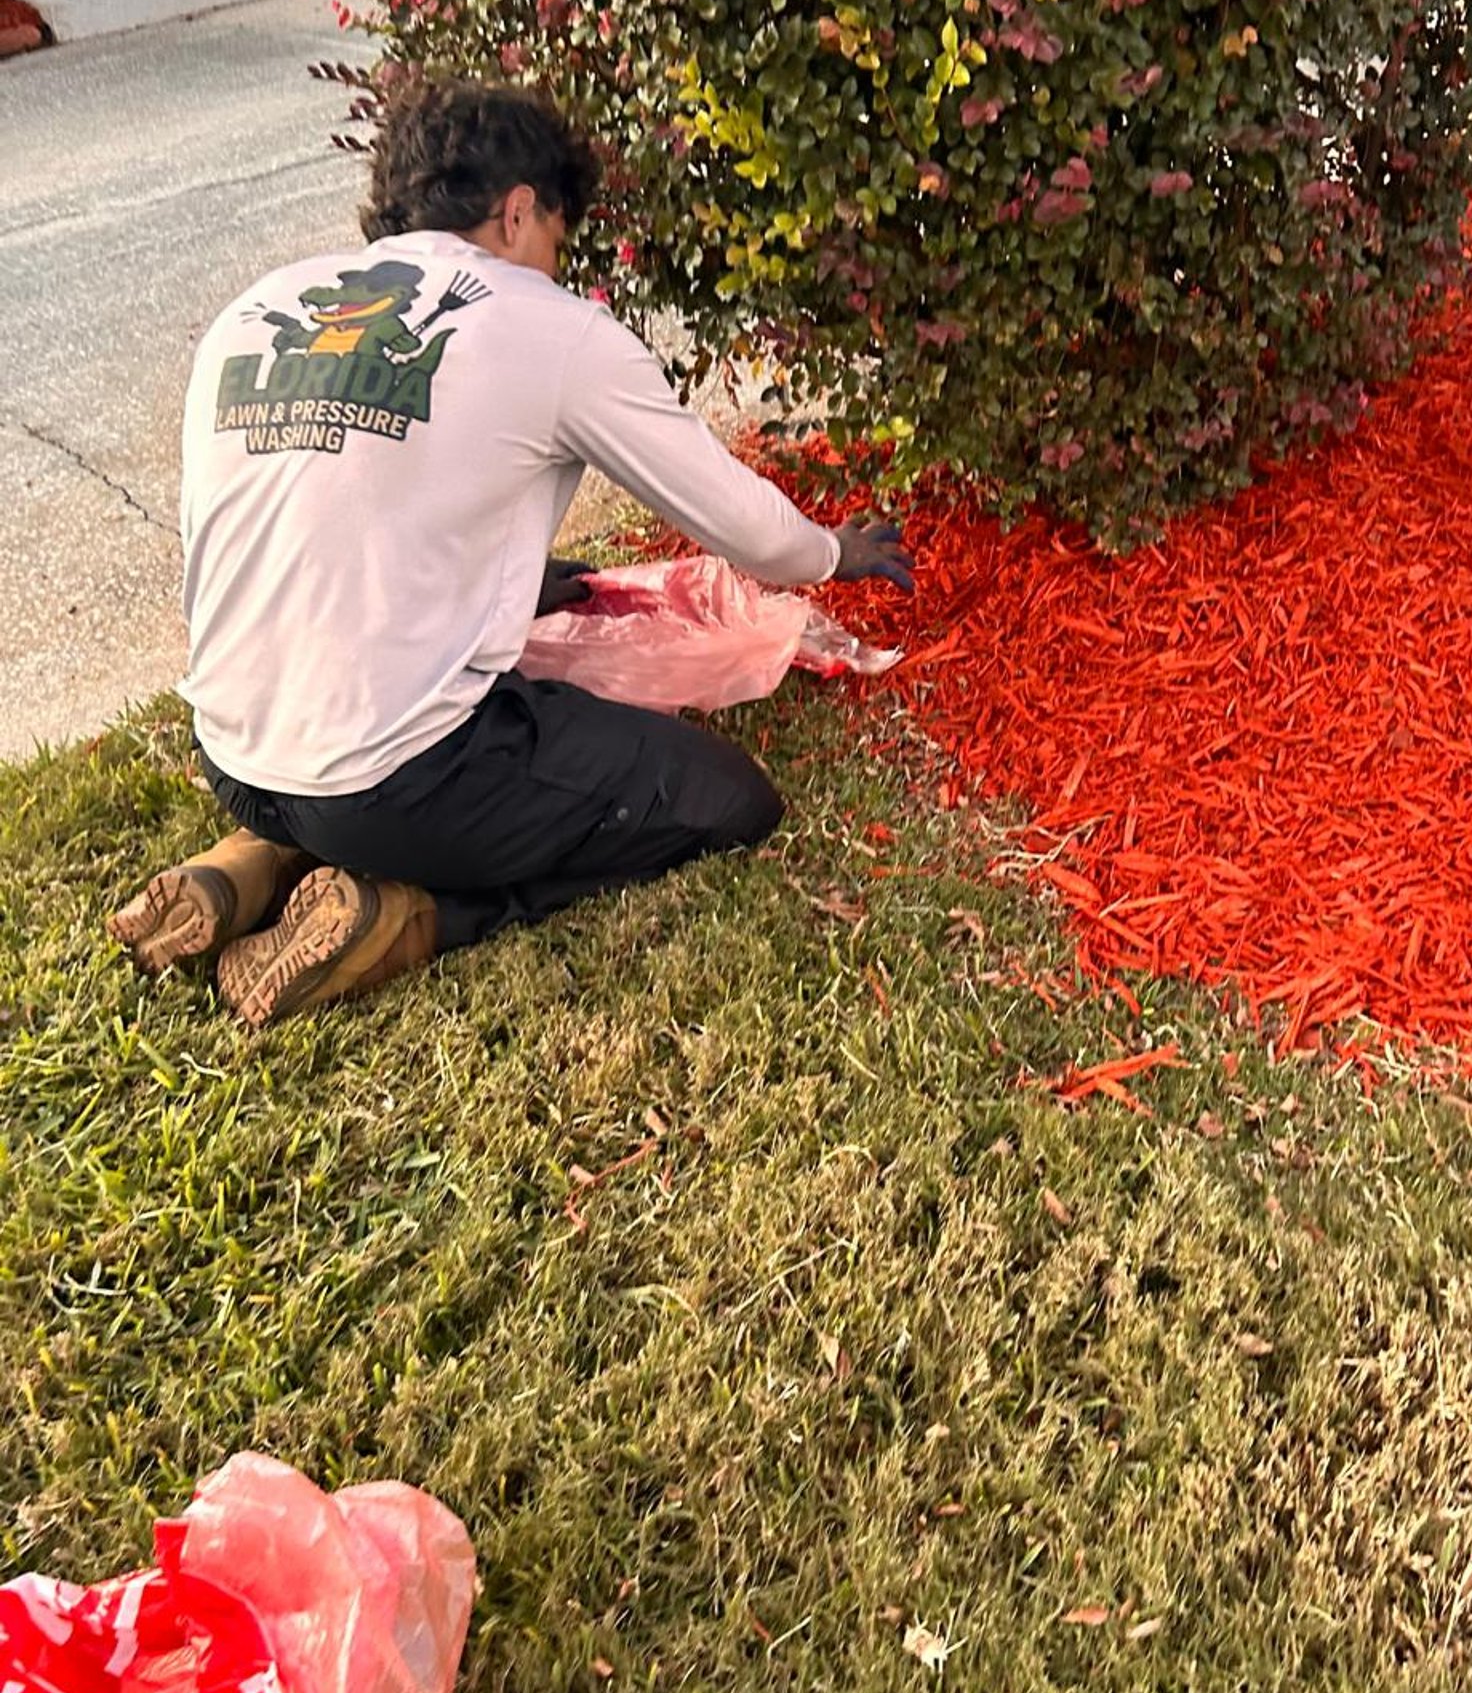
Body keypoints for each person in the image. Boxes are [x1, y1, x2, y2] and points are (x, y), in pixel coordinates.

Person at [110, 77, 912, 1028]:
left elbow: (343, 521)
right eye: (557, 245)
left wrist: (529, 588)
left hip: (233, 755)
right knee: (725, 799)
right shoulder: (544, 325)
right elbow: (742, 525)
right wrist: (831, 553)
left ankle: (253, 858)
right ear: (520, 209)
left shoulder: (260, 305)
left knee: (377, 766)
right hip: (388, 784)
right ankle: (413, 915)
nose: (556, 270)